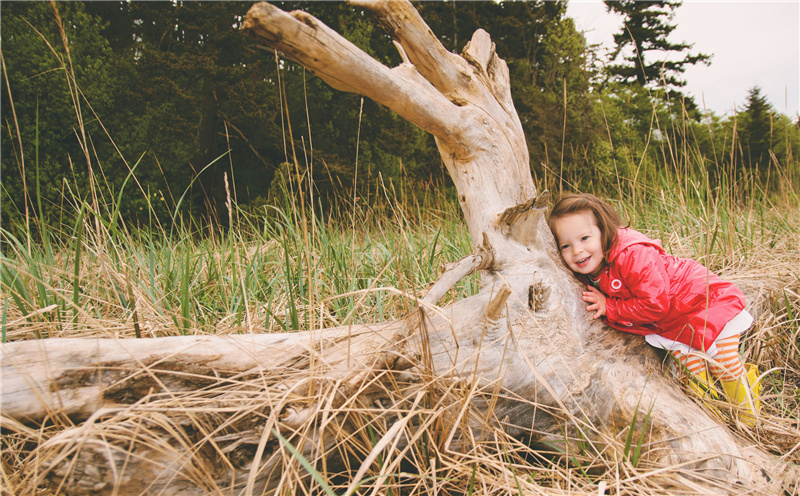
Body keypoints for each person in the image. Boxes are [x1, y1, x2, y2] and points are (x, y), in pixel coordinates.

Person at [547, 192, 760, 423]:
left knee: (725, 362)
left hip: (705, 300)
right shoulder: (590, 268)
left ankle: (750, 421)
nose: (577, 250)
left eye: (585, 238)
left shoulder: (632, 255)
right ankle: (718, 425)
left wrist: (611, 307)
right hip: (674, 322)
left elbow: (655, 303)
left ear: (605, 230)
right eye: (566, 245)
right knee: (694, 374)